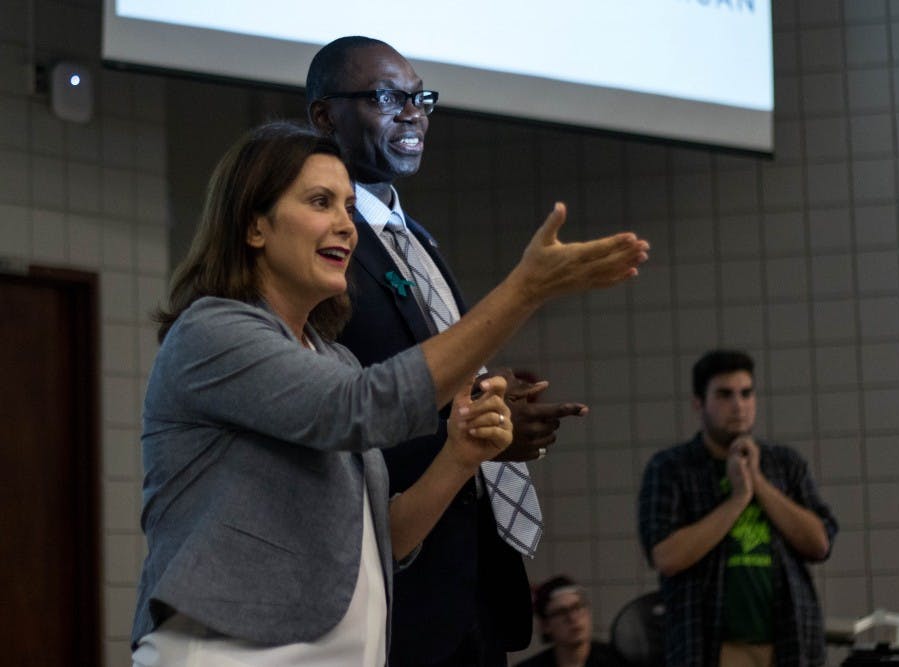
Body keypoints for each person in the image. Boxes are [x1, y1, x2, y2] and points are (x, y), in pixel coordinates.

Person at [129, 121, 649, 665]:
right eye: (321, 202)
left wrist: (459, 456)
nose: (347, 226)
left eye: (349, 207)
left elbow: (387, 540)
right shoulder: (211, 331)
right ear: (255, 227)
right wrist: (526, 290)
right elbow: (358, 408)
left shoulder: (333, 357)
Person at [307, 36, 594, 666]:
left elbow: (441, 383)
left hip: (474, 582)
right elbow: (350, 408)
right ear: (326, 117)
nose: (412, 114)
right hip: (398, 584)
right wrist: (457, 434)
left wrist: (494, 416)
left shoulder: (418, 239)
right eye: (387, 98)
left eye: (421, 99)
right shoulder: (326, 250)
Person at [638, 350, 837, 667]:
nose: (738, 405)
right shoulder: (671, 468)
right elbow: (667, 557)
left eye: (746, 393)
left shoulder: (784, 464)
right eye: (724, 394)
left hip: (789, 642)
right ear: (698, 404)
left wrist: (757, 482)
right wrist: (738, 499)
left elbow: (819, 544)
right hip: (711, 646)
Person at [516, 576, 626, 667]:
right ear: (545, 625)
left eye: (577, 607)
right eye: (561, 612)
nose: (573, 618)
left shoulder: (621, 661)